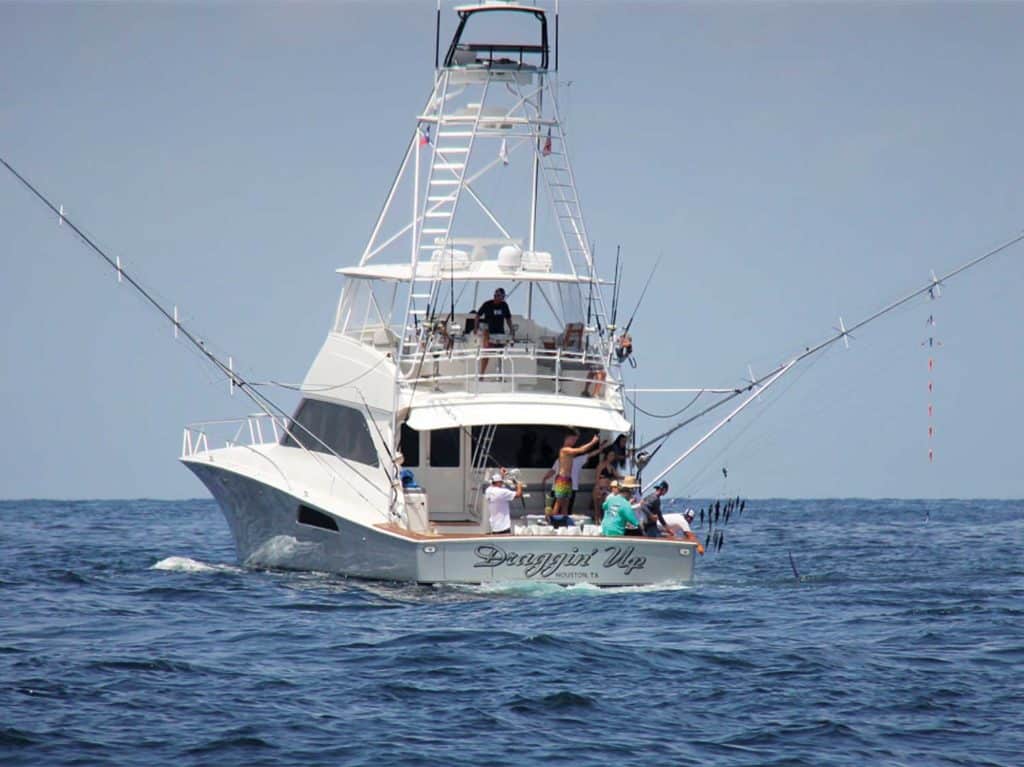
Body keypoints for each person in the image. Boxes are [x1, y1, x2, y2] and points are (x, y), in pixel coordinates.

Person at [541, 433, 604, 514]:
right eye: (573, 439)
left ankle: (565, 521)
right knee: (558, 503)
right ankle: (554, 522)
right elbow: (581, 450)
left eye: (575, 440)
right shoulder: (564, 450)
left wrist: (600, 448)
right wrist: (593, 442)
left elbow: (583, 450)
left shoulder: (571, 454)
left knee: (566, 504)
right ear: (566, 439)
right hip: (562, 479)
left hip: (568, 480)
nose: (574, 441)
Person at [476, 287, 513, 376]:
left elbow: (508, 318)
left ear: (503, 297)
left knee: (501, 354)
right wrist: (475, 328)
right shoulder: (487, 304)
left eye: (498, 295)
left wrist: (512, 329)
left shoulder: (504, 306)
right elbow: (477, 316)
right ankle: (482, 375)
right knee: (486, 354)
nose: (496, 297)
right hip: (488, 333)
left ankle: (500, 375)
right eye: (495, 295)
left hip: (500, 334)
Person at [485, 469, 523, 535]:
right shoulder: (502, 492)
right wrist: (519, 486)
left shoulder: (488, 490)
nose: (502, 483)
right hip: (504, 528)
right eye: (501, 482)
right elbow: (518, 494)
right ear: (498, 482)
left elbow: (497, 484)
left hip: (494, 527)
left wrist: (502, 476)